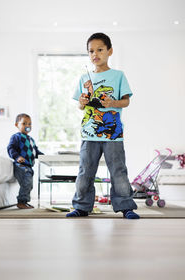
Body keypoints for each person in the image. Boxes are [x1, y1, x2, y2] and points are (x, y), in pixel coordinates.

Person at [66, 33, 139, 219]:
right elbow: (80, 105)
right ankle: (81, 207)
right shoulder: (84, 78)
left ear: (110, 51)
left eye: (100, 49)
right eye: (91, 51)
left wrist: (112, 103)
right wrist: (82, 102)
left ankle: (126, 207)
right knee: (85, 171)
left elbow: (126, 102)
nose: (95, 54)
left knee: (118, 171)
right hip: (89, 133)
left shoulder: (118, 76)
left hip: (113, 134)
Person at [7, 113, 43, 209]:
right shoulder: (16, 137)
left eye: (29, 124)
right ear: (17, 125)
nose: (27, 126)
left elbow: (35, 152)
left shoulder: (31, 139)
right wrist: (17, 157)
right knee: (26, 181)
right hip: (20, 165)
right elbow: (11, 148)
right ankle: (21, 202)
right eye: (24, 124)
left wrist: (43, 156)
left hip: (29, 166)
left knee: (29, 184)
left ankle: (25, 201)